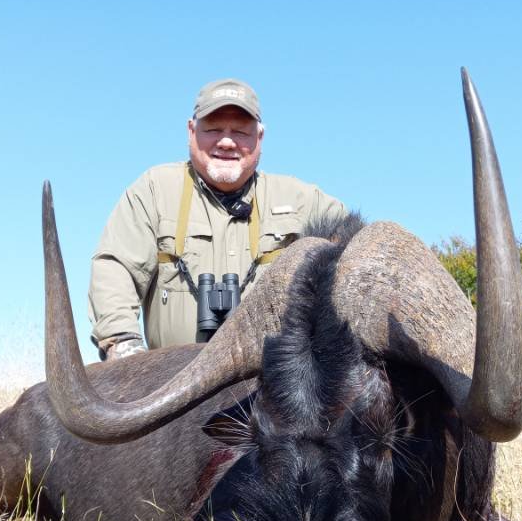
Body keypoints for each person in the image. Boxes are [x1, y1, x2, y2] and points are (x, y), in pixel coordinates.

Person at [88, 78, 346, 359]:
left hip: (273, 386)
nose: (226, 142)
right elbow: (115, 269)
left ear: (260, 137)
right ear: (191, 131)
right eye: (213, 129)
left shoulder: (302, 200)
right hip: (172, 385)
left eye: (240, 132)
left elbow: (360, 247)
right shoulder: (153, 190)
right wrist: (125, 349)